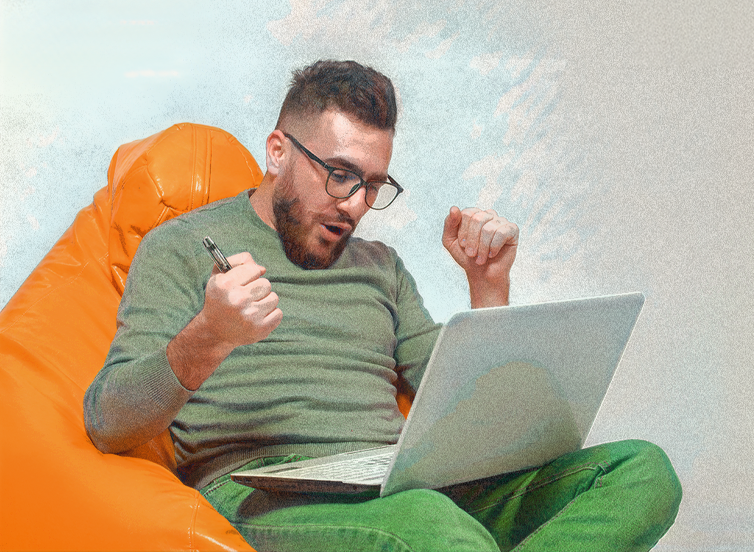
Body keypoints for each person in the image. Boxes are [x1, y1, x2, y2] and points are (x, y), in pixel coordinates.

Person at [85, 59, 682, 551]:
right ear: (278, 152)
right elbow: (108, 422)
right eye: (339, 174)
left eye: (373, 185)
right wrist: (210, 335)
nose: (354, 204)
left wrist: (488, 286)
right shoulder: (183, 247)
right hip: (267, 495)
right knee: (433, 527)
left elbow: (477, 415)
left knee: (640, 472)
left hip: (393, 481)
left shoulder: (381, 267)